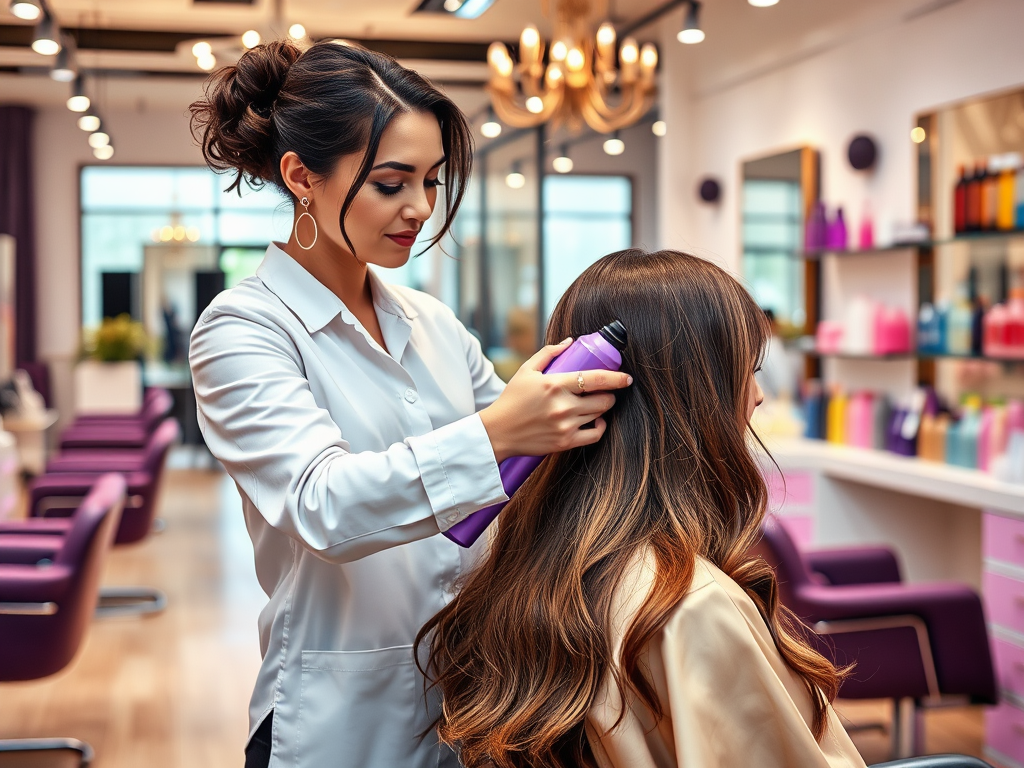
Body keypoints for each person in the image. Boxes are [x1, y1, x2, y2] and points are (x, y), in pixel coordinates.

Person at [186, 39, 631, 768]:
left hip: (478, 704)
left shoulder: (433, 324)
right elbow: (321, 505)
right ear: (301, 176)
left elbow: (528, 475)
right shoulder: (243, 330)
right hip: (335, 721)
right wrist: (493, 435)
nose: (421, 208)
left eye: (431, 180)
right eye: (392, 183)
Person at [419, 249, 868, 768]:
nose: (759, 395)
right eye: (746, 370)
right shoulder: (691, 606)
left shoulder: (529, 573)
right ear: (695, 395)